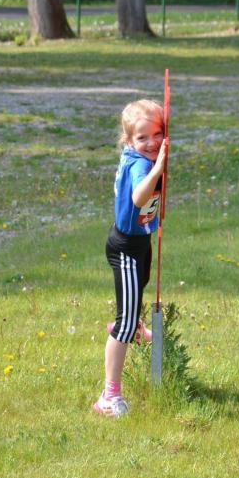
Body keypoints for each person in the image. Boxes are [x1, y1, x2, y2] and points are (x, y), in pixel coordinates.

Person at [93, 99, 168, 417]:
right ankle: (108, 396)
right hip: (125, 247)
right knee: (123, 325)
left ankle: (131, 323)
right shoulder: (140, 165)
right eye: (142, 138)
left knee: (138, 288)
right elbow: (139, 197)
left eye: (157, 134)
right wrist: (158, 168)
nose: (151, 143)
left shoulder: (139, 156)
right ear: (128, 140)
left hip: (140, 242)